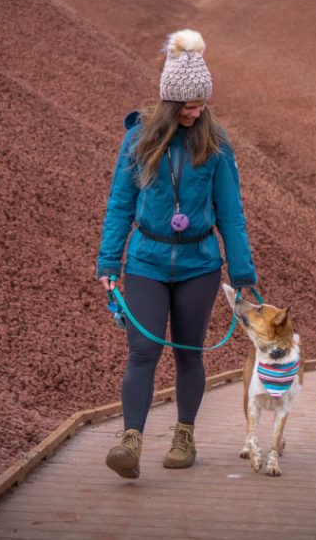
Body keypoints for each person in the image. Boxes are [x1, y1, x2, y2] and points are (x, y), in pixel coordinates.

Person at [96, 28, 257, 479]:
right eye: (188, 105)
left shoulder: (217, 144)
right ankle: (131, 441)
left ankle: (185, 434)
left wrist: (242, 271)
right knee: (142, 351)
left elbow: (231, 214)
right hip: (145, 260)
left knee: (189, 354)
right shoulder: (138, 141)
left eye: (201, 103)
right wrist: (109, 263)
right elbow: (119, 204)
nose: (196, 111)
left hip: (199, 265)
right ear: (170, 103)